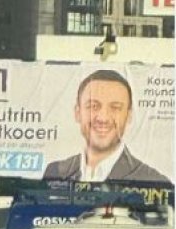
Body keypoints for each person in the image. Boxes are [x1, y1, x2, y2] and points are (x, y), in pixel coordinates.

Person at [43, 69, 171, 185]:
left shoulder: (154, 182)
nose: (103, 118)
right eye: (93, 106)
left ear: (129, 115)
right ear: (77, 113)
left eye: (115, 108)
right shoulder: (55, 173)